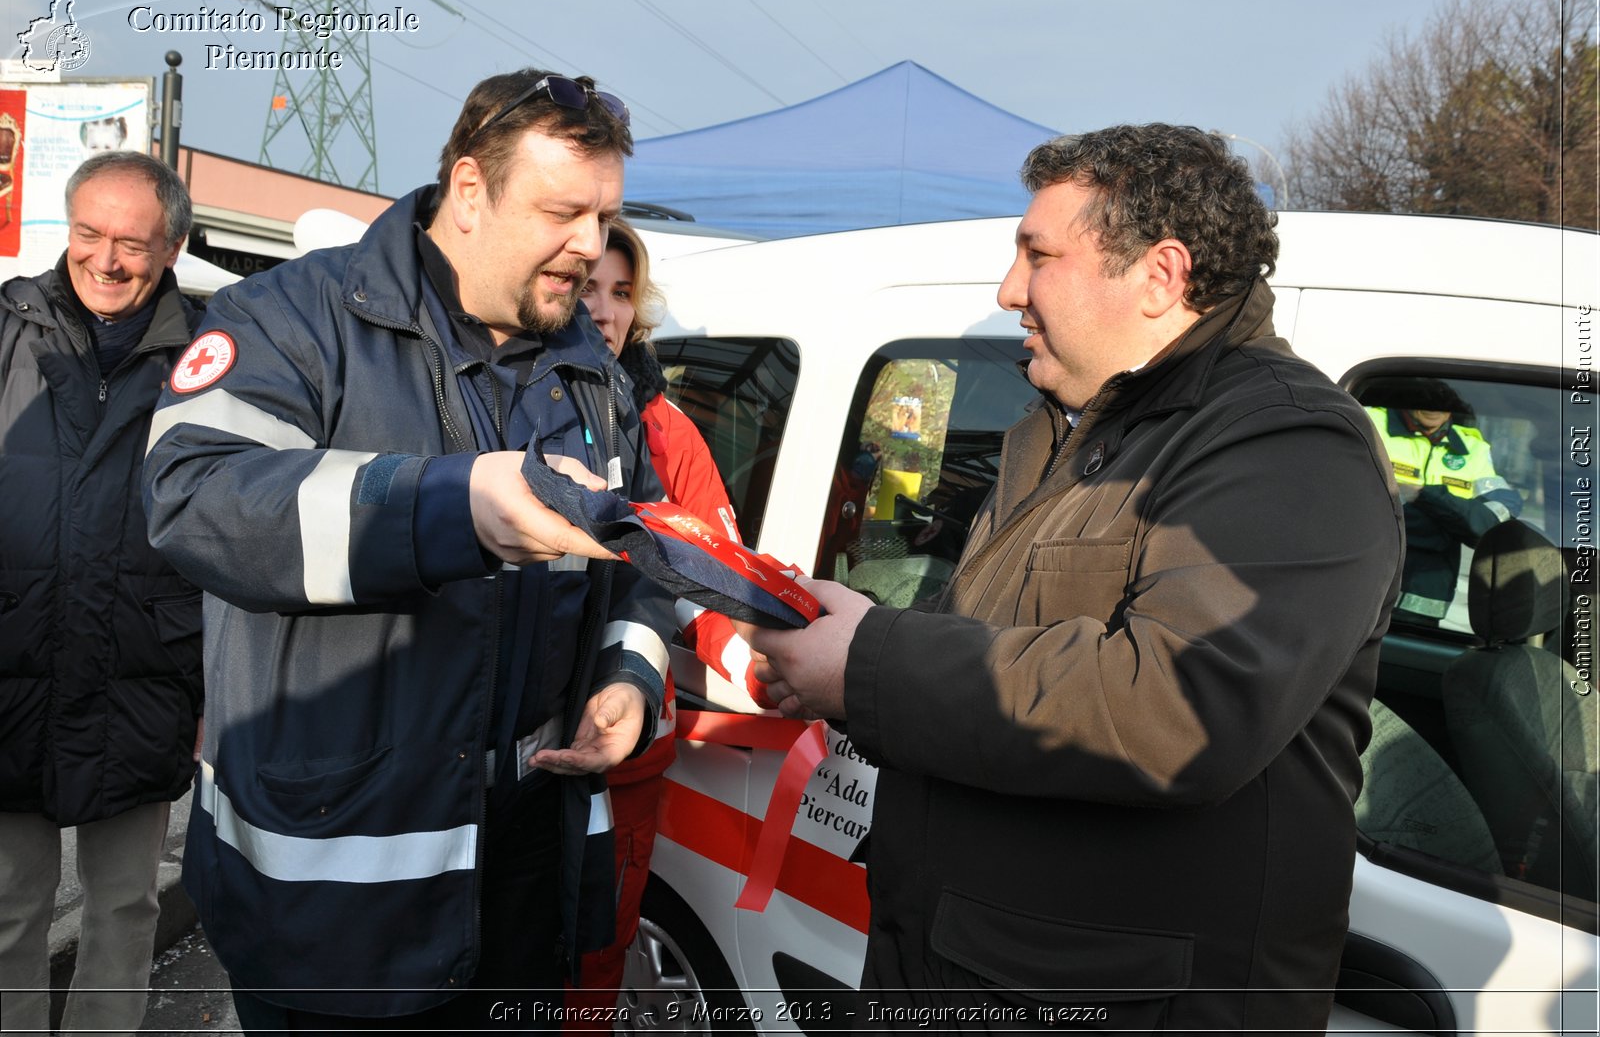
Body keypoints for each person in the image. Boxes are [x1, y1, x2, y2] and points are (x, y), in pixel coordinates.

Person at [748, 124, 1404, 1032]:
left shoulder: (1288, 444)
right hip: (963, 972)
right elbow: (1009, 634)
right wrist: (856, 640)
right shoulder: (1067, 429)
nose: (1008, 290)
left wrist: (867, 664)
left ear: (1161, 275)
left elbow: (1180, 706)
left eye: (1038, 255)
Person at [141, 70, 676, 1031]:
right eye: (564, 211)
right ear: (469, 191)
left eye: (605, 215)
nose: (591, 247)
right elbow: (193, 495)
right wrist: (446, 505)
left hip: (522, 895)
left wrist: (627, 676)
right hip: (336, 910)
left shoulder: (591, 369)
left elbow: (645, 555)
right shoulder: (293, 321)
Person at [0, 151, 203, 1035]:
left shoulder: (212, 356)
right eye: (88, 234)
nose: (106, 260)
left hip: (144, 670)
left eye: (131, 242)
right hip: (12, 657)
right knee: (9, 907)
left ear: (172, 246)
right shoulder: (7, 329)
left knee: (125, 909)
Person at [564, 218, 753, 1024]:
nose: (604, 311)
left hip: (630, 753)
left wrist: (758, 666)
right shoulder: (499, 401)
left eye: (620, 293)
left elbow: (714, 568)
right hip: (512, 747)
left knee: (599, 952)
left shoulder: (665, 428)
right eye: (586, 289)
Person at [1366, 382, 1521, 626]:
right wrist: (1449, 518)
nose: (1434, 406)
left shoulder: (1473, 449)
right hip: (1365, 576)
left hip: (1426, 594)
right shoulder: (1371, 422)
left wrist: (1422, 495)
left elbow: (1488, 523)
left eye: (1444, 399)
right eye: (1425, 396)